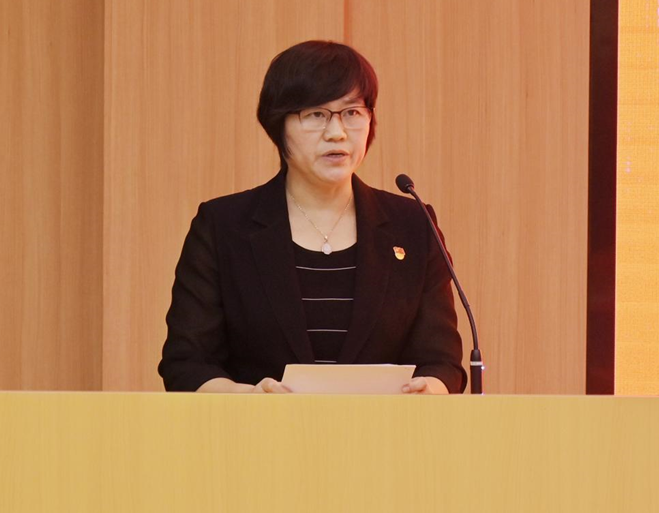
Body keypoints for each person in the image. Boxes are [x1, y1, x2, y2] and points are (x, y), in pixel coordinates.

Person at [158, 40, 466, 394]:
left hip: (384, 428)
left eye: (352, 113)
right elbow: (187, 363)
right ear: (278, 125)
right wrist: (248, 397)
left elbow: (442, 361)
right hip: (258, 428)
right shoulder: (223, 226)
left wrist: (431, 388)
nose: (337, 133)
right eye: (316, 115)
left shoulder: (412, 225)